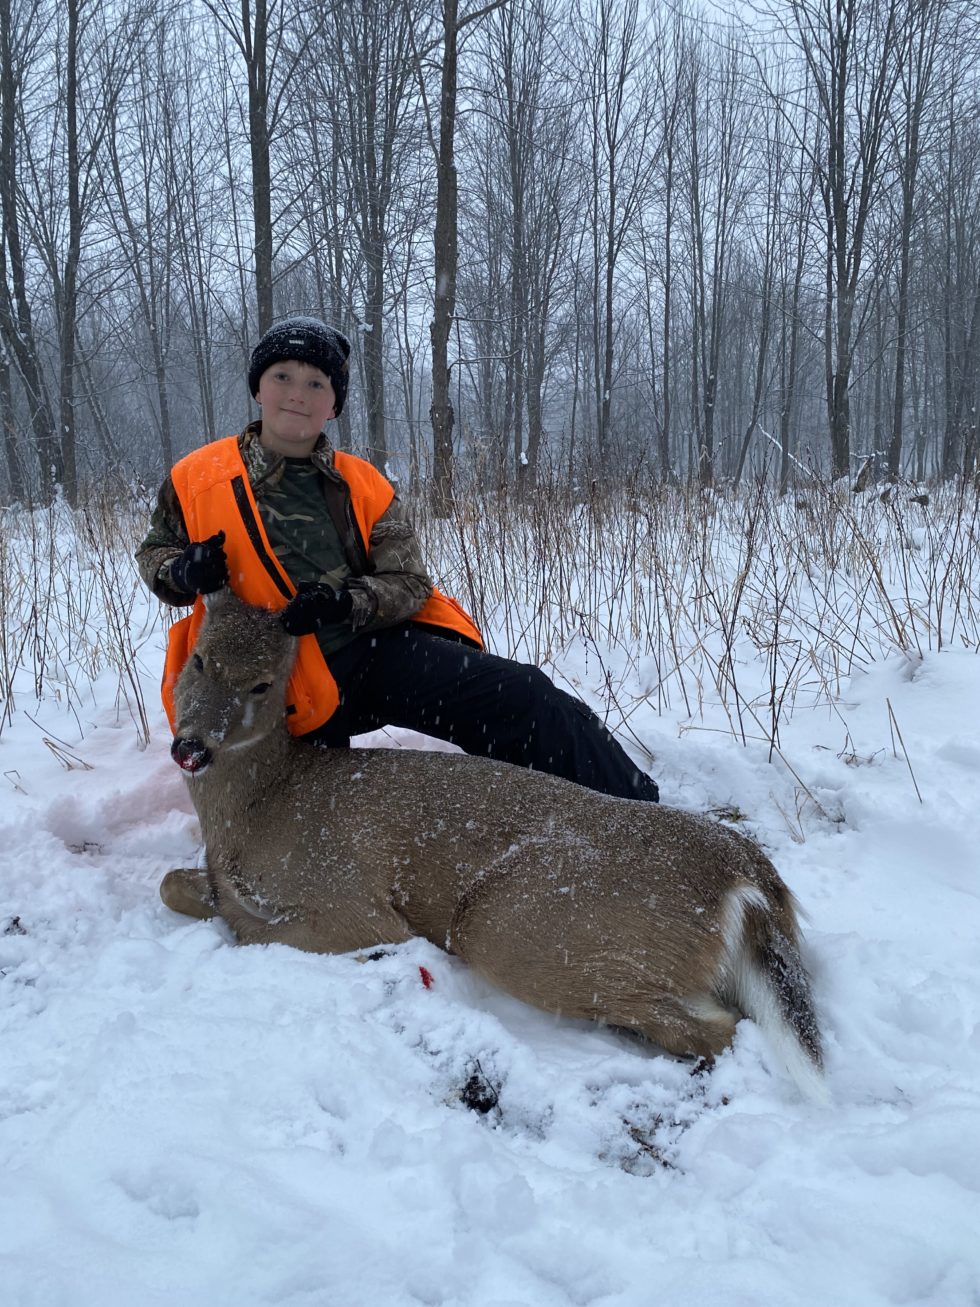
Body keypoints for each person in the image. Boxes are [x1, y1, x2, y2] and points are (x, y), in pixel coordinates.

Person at [137, 317, 658, 913]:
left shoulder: (361, 483)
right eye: (282, 377)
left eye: (316, 384)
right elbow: (156, 554)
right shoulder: (197, 477)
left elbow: (408, 583)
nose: (297, 394)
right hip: (261, 687)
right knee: (300, 831)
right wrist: (183, 573)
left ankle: (639, 815)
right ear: (259, 389)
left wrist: (347, 602)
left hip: (363, 654)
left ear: (334, 404)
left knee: (522, 697)